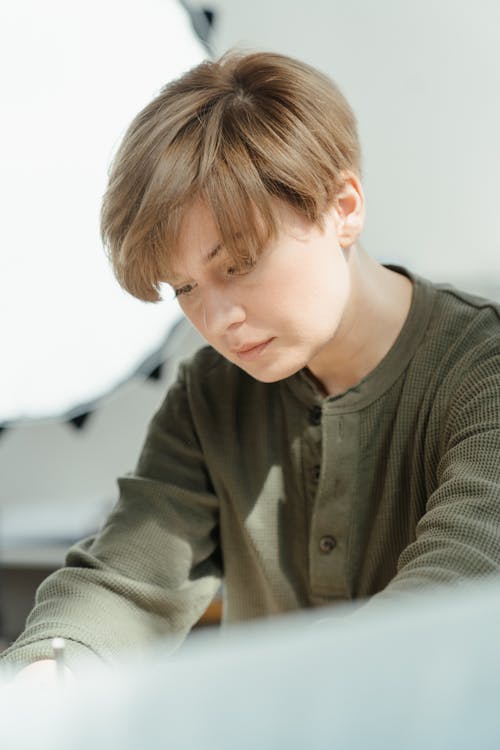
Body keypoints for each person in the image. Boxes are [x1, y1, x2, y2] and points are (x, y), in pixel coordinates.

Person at [2, 50, 500, 682]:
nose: (217, 321)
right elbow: (130, 576)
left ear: (342, 207)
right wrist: (45, 673)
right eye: (184, 288)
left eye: (237, 265)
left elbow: (453, 590)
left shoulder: (484, 372)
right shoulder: (211, 396)